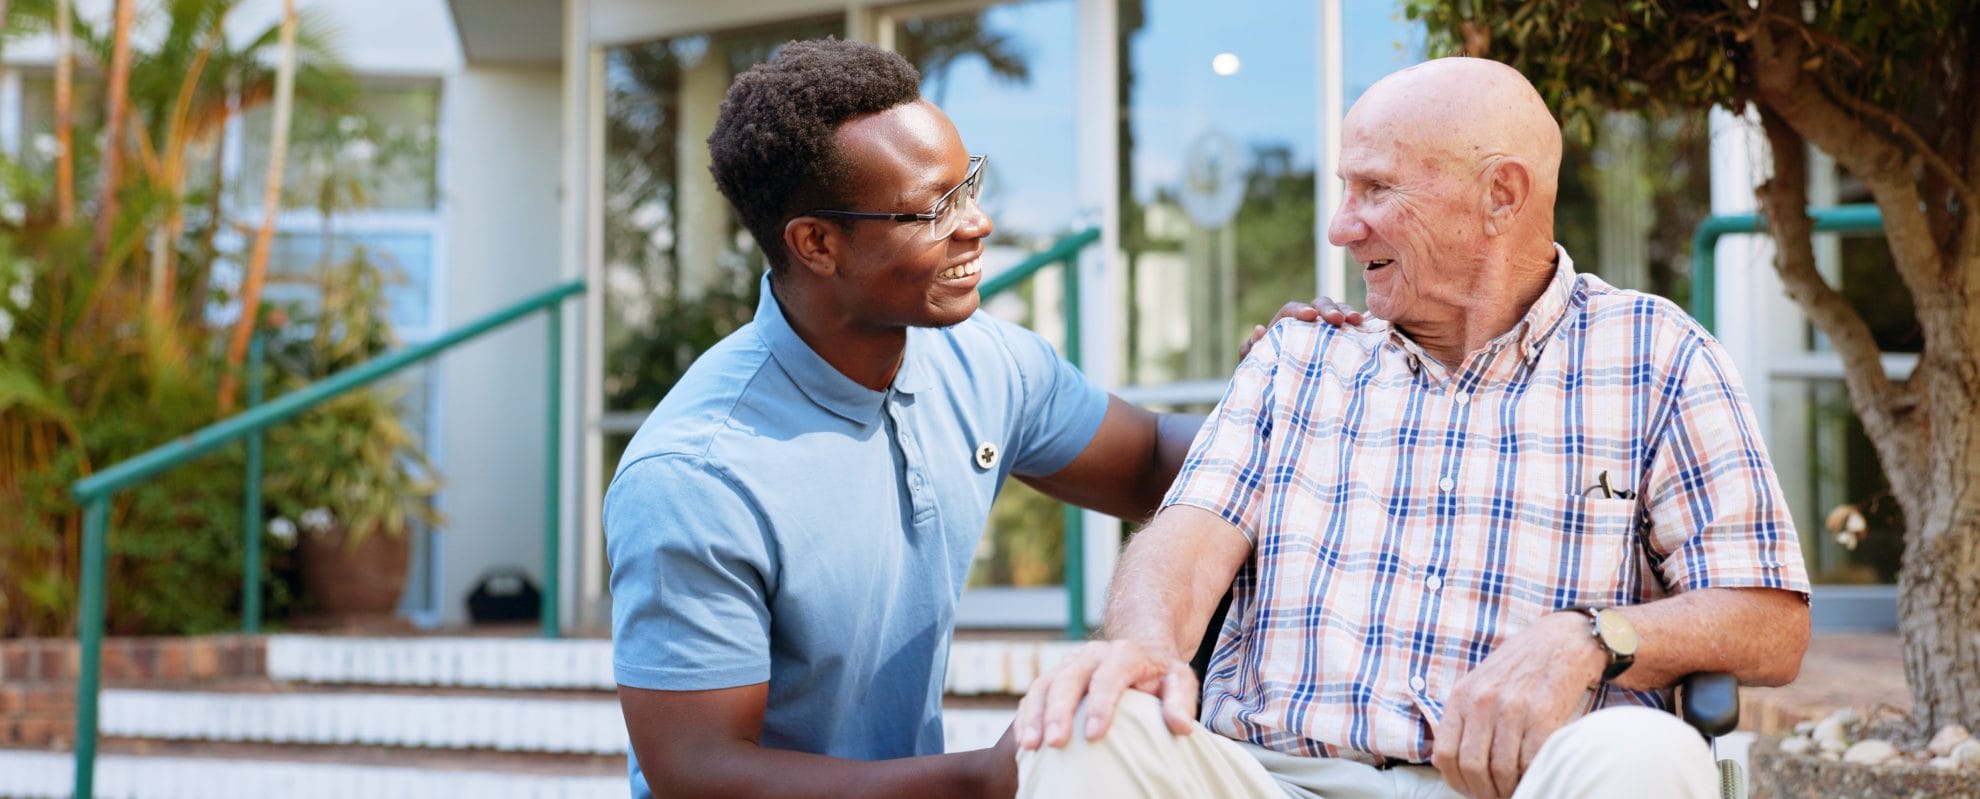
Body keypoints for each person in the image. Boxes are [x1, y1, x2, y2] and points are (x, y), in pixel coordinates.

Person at [1011, 57, 1812, 799]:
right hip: (1274, 777)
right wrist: (1147, 646)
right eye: (1344, 188)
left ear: (1502, 194)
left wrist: (1594, 636)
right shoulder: (1298, 357)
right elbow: (1183, 545)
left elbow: (1771, 623)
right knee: (1090, 724)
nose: (1340, 225)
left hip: (1524, 782)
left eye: (1376, 189)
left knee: (1651, 753)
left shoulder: (1658, 356)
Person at [605, 38, 1258, 798]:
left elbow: (1149, 461)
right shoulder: (694, 477)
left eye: (968, 184)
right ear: (816, 243)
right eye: (935, 207)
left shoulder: (984, 362)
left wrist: (1286, 398)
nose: (977, 223)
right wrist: (983, 778)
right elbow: (699, 771)